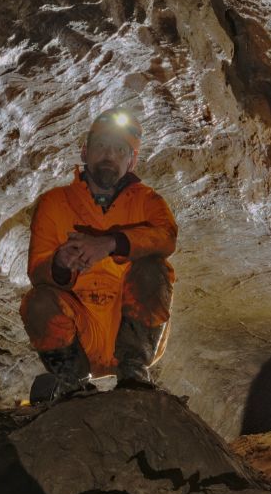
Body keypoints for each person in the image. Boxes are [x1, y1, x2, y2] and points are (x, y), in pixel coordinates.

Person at [20, 107, 177, 399]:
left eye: (120, 149)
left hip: (129, 329)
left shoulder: (149, 202)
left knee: (154, 269)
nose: (109, 155)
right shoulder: (54, 203)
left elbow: (166, 239)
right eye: (101, 146)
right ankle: (71, 382)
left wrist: (110, 243)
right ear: (84, 151)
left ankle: (133, 374)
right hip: (78, 327)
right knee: (37, 301)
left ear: (132, 161)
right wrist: (59, 263)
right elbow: (36, 270)